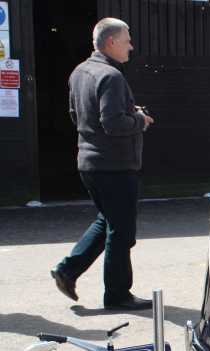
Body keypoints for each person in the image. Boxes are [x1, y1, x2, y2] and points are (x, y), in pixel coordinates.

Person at [51, 18, 154, 311]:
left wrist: (128, 112)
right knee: (121, 232)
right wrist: (140, 119)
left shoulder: (80, 72)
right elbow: (113, 123)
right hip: (114, 166)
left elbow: (77, 115)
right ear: (111, 42)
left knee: (108, 221)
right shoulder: (111, 76)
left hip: (90, 163)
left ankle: (67, 270)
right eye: (127, 40)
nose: (131, 46)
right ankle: (117, 295)